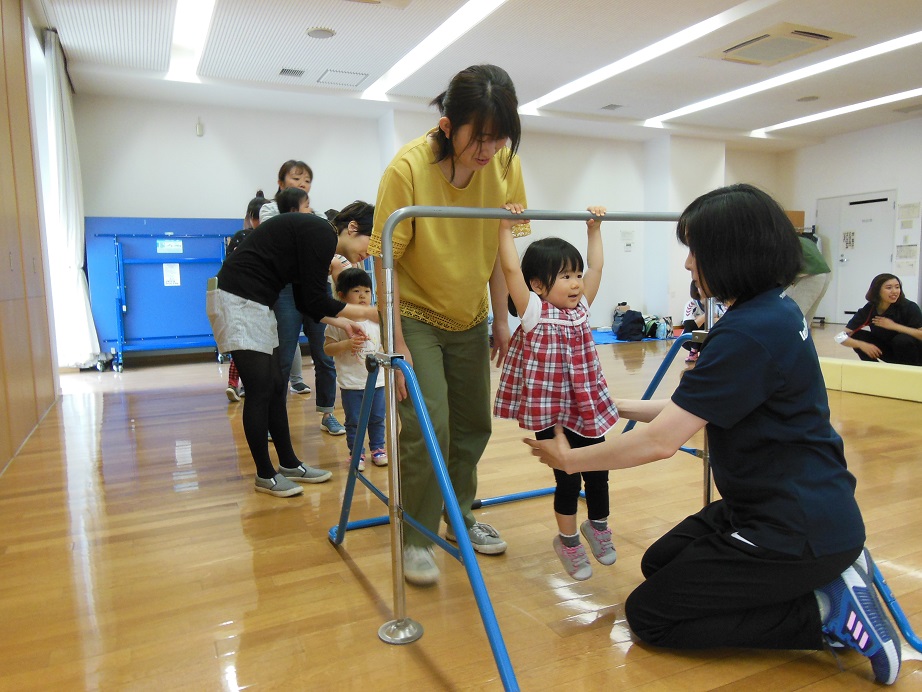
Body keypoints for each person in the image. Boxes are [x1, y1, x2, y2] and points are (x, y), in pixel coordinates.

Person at [524, 184, 901, 686]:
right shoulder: (771, 311)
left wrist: (569, 459)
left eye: (694, 252)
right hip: (778, 503)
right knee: (660, 564)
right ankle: (825, 577)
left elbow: (659, 442)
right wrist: (604, 403)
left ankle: (823, 613)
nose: (687, 266)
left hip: (794, 525)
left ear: (730, 254)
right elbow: (689, 407)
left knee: (652, 616)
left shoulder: (748, 331)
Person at [369, 64, 529, 586]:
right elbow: (383, 262)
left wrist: (502, 321)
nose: (488, 150)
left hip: (472, 314)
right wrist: (394, 345)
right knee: (427, 424)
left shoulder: (504, 162)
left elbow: (501, 245)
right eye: (478, 137)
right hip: (414, 314)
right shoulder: (407, 169)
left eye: (498, 137)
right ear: (447, 124)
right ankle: (417, 533)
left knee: (473, 425)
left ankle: (459, 513)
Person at [206, 212, 377, 497]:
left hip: (255, 303)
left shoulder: (318, 240)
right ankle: (265, 474)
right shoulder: (322, 234)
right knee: (261, 389)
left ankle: (288, 464)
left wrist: (344, 322)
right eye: (370, 242)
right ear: (353, 227)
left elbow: (305, 302)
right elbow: (314, 300)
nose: (369, 253)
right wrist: (367, 313)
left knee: (274, 385)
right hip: (237, 299)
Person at [494, 205, 618, 581]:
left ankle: (597, 527)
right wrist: (503, 227)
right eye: (566, 276)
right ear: (538, 285)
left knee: (598, 470)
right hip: (551, 412)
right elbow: (511, 269)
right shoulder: (533, 310)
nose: (577, 283)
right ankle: (567, 541)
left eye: (576, 274)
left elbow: (597, 269)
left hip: (586, 404)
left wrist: (594, 230)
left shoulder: (581, 307)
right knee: (567, 476)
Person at [262, 160, 348, 432]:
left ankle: (327, 413)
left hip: (316, 286)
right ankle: (275, 419)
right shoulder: (269, 209)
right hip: (286, 289)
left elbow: (323, 248)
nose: (302, 184)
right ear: (280, 183)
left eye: (307, 180)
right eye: (296, 178)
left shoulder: (318, 214)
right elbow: (279, 239)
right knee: (284, 355)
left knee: (324, 355)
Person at [324, 267, 387, 473]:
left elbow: (384, 347)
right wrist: (345, 345)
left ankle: (378, 448)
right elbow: (327, 349)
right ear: (341, 296)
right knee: (354, 421)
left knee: (377, 418)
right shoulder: (338, 323)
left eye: (367, 291)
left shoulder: (376, 321)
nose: (363, 295)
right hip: (351, 384)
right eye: (356, 291)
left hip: (377, 382)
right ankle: (356, 452)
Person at [226, 191, 271, 402]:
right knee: (250, 346)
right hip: (252, 299)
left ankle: (235, 384)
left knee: (243, 345)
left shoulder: (240, 237)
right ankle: (242, 384)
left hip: (242, 299)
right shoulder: (250, 237)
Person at [837, 273, 922, 366]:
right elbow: (839, 337)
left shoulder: (909, 307)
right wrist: (861, 344)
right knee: (858, 336)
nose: (894, 291)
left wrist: (894, 326)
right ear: (877, 291)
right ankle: (875, 370)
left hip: (915, 355)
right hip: (890, 351)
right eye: (889, 288)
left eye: (897, 287)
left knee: (901, 340)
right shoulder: (870, 309)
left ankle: (910, 372)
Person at [786, 232, 831, 327]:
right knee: (805, 322)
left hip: (812, 275)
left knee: (793, 317)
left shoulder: (779, 242)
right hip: (823, 273)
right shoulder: (802, 239)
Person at [680, 280, 726, 364]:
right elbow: (689, 326)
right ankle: (693, 351)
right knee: (699, 325)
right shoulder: (691, 304)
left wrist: (700, 319)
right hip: (689, 342)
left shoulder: (719, 304)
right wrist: (708, 316)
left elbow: (725, 323)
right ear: (696, 289)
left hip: (712, 338)